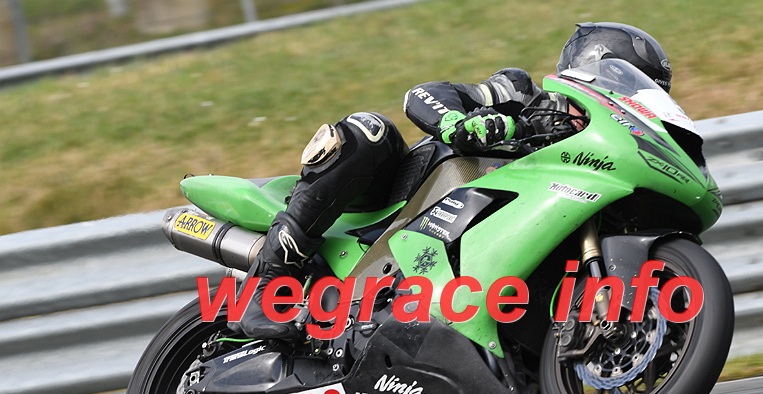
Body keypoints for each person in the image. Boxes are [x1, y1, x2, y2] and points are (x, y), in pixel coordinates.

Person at [234, 22, 674, 339]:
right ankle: (266, 284)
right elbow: (424, 95)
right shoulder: (522, 93)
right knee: (369, 131)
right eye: (624, 82)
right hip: (399, 206)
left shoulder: (591, 164)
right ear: (589, 68)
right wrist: (463, 124)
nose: (626, 97)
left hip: (468, 265)